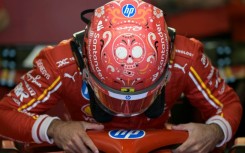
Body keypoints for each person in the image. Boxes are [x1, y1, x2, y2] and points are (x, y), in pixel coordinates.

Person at [0, 0, 242, 153]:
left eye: (140, 98)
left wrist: (215, 132)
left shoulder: (184, 55)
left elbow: (228, 103)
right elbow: (5, 114)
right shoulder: (62, 62)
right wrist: (54, 128)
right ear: (86, 70)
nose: (128, 108)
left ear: (166, 72)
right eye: (113, 97)